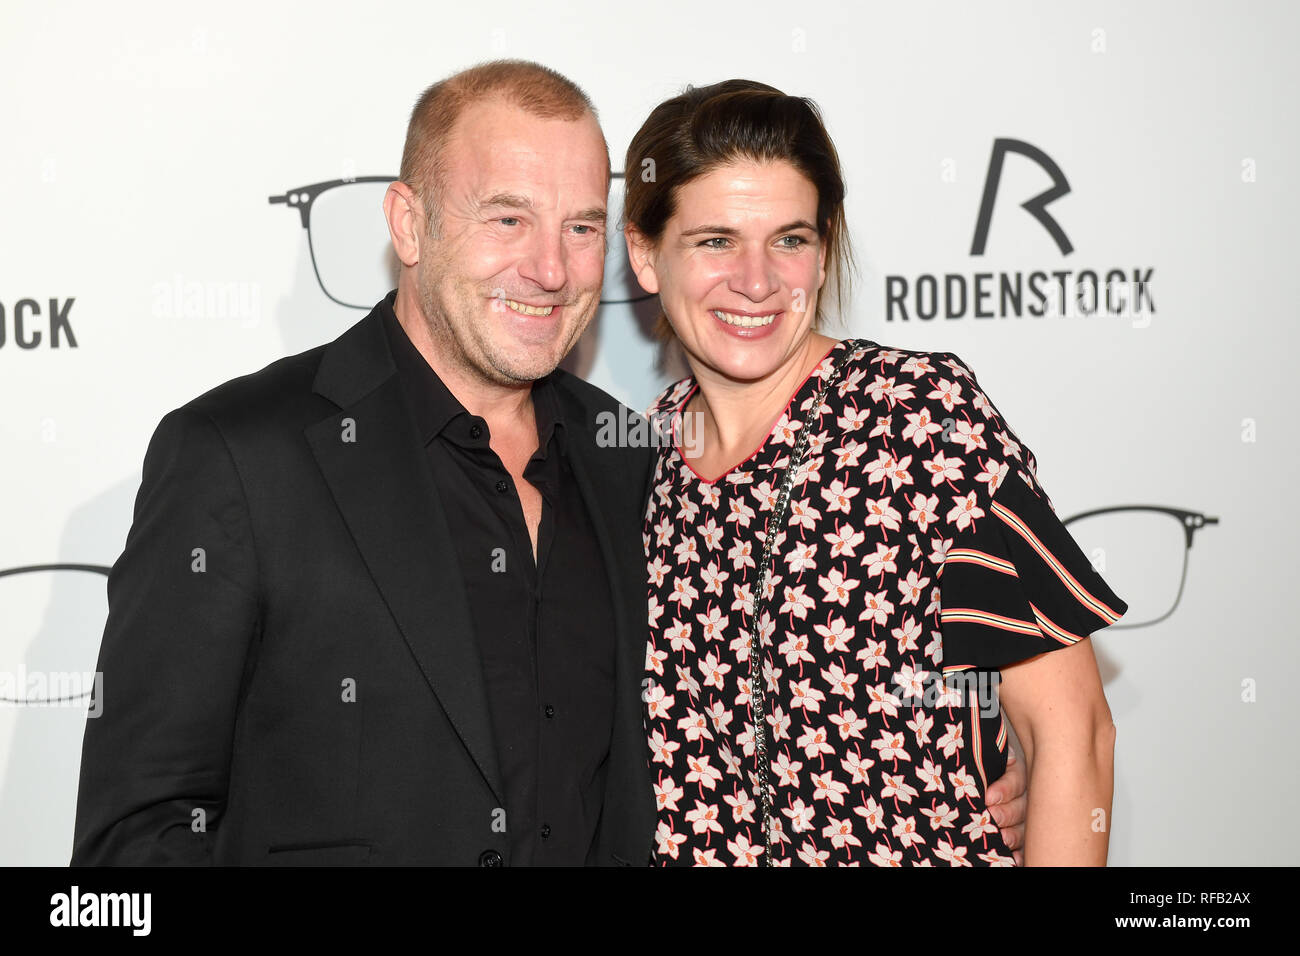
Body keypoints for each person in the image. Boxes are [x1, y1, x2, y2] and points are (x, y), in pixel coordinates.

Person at [70, 60, 1026, 867]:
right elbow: (136, 837)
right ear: (409, 225)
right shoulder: (242, 454)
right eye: (505, 220)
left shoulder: (635, 462)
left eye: (578, 227)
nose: (551, 268)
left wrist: (954, 765)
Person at [624, 79, 1125, 866]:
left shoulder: (919, 421)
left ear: (823, 251)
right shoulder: (632, 464)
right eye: (716, 240)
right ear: (645, 254)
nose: (757, 281)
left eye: (789, 239)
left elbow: (1073, 735)